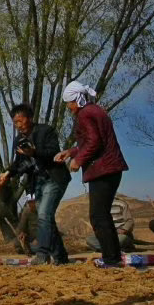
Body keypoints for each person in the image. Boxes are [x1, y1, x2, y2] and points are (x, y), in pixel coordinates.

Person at [56, 81, 129, 268]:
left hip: (102, 169)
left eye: (69, 103)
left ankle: (111, 260)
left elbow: (94, 142)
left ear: (77, 100)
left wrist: (78, 160)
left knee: (98, 216)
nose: (68, 107)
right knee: (102, 215)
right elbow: (91, 140)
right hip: (111, 168)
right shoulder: (96, 110)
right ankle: (112, 257)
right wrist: (71, 152)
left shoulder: (84, 114)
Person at [0, 102, 69, 264]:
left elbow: (54, 153)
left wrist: (34, 152)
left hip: (54, 178)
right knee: (46, 218)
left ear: (29, 118)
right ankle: (61, 257)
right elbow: (19, 164)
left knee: (44, 214)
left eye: (20, 121)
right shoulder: (18, 140)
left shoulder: (46, 131)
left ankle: (42, 255)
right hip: (37, 182)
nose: (18, 126)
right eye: (15, 123)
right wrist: (7, 173)